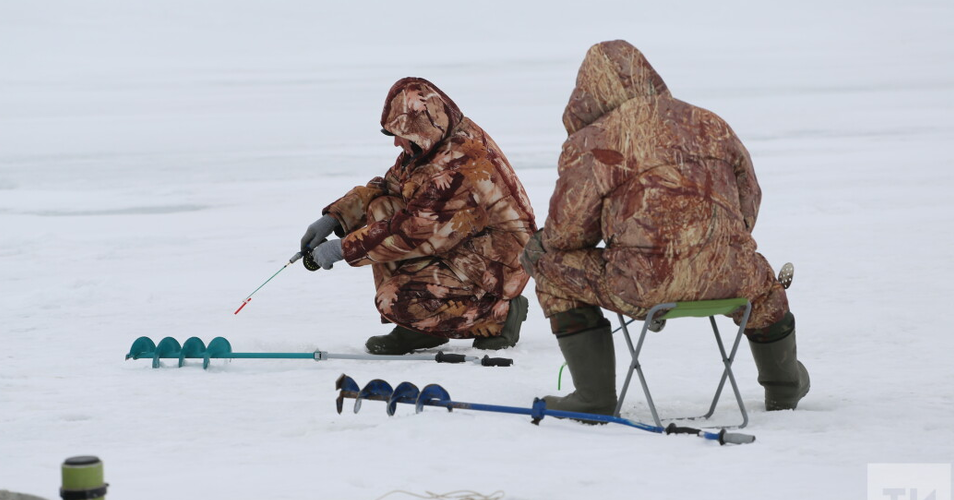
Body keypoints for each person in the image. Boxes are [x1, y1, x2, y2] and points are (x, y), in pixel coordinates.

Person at [520, 40, 809, 414]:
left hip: (643, 284)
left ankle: (593, 397)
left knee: (546, 262)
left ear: (587, 95)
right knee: (763, 288)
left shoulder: (593, 141)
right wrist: (717, 245)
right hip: (731, 276)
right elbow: (748, 195)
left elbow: (566, 235)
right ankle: (785, 386)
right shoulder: (709, 123)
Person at [301, 77, 537, 355]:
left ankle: (498, 315)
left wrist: (342, 249)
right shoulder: (431, 143)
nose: (396, 143)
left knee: (394, 301)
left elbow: (412, 232)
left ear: (419, 126)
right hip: (459, 240)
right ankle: (416, 330)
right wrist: (335, 218)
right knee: (381, 206)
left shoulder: (459, 163)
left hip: (496, 260)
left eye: (399, 133)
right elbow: (390, 187)